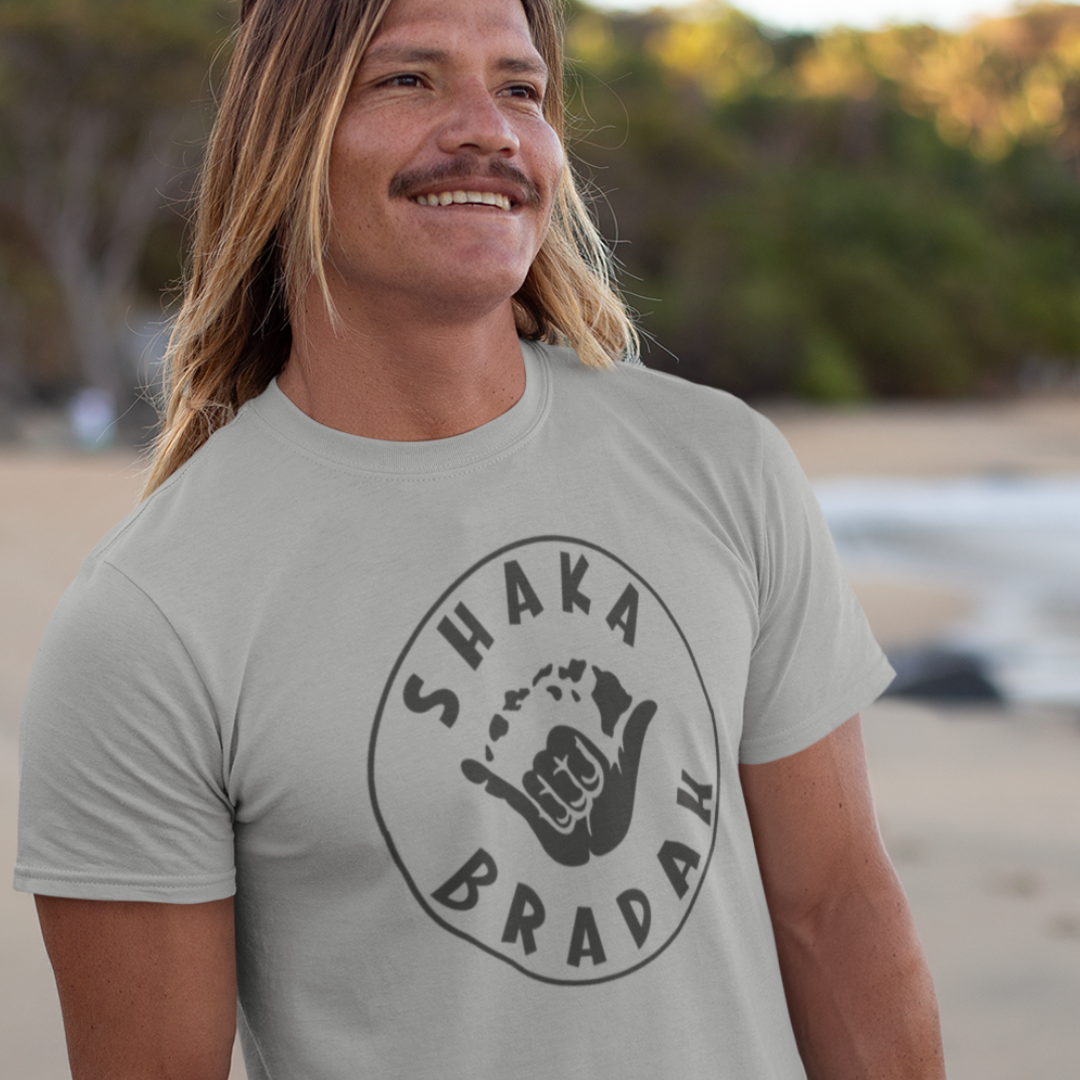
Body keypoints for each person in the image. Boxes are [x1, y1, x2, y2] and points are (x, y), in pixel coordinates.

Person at [15, 0, 946, 1077]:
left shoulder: (721, 465)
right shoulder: (150, 618)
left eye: (521, 89)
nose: (490, 130)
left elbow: (839, 912)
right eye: (409, 80)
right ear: (286, 136)